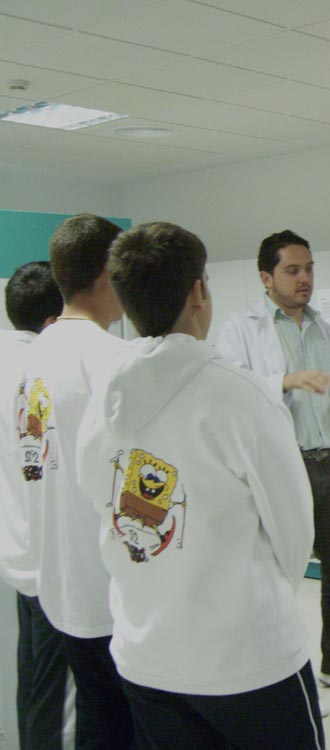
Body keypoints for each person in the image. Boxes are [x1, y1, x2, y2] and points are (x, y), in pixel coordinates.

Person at [76, 222, 324, 749]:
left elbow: (100, 503)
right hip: (248, 661)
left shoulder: (105, 399)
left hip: (146, 655)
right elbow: (295, 534)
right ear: (199, 291)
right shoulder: (244, 397)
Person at [217, 230, 330, 687]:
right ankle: (278, 677)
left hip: (328, 462)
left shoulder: (321, 325)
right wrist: (283, 381)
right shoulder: (242, 326)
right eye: (293, 270)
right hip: (283, 466)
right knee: (277, 576)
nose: (305, 278)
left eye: (309, 268)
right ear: (266, 277)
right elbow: (231, 389)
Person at [16, 214, 135, 750]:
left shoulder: (34, 353)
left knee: (91, 715)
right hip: (106, 584)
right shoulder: (112, 358)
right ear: (109, 271)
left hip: (57, 575)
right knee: (116, 723)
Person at [0, 261, 70, 750]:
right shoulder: (45, 373)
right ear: (52, 321)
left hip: (16, 551)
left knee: (32, 675)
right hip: (51, 555)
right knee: (52, 687)